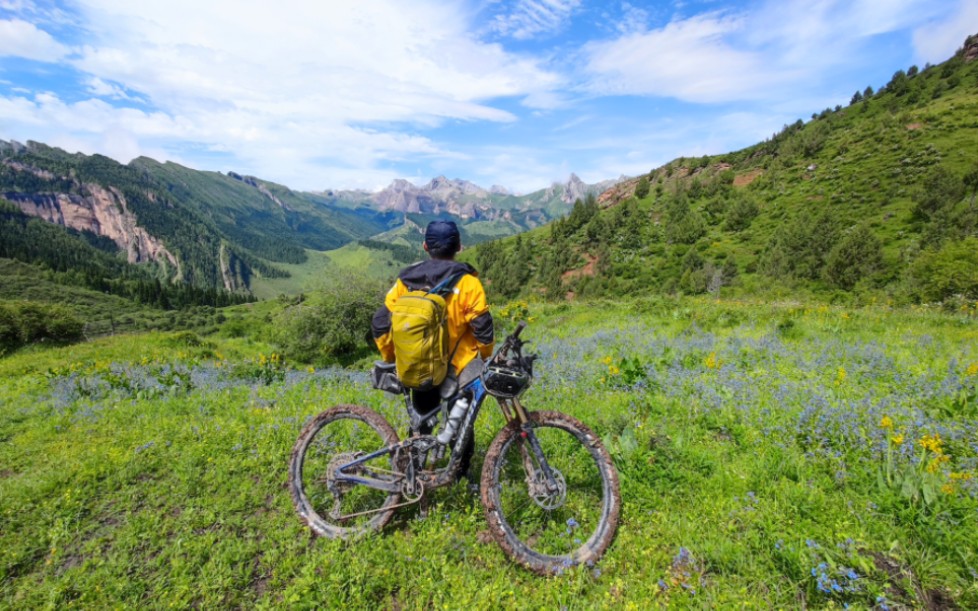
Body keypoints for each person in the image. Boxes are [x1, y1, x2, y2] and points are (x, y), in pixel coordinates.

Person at [371, 220, 495, 432]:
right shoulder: (468, 283)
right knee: (459, 429)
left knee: (422, 423)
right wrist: (485, 355)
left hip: (419, 365)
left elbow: (380, 323)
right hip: (459, 369)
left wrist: (393, 357)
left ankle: (416, 462)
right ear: (458, 246)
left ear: (425, 247)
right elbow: (483, 330)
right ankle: (459, 464)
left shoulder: (405, 280)